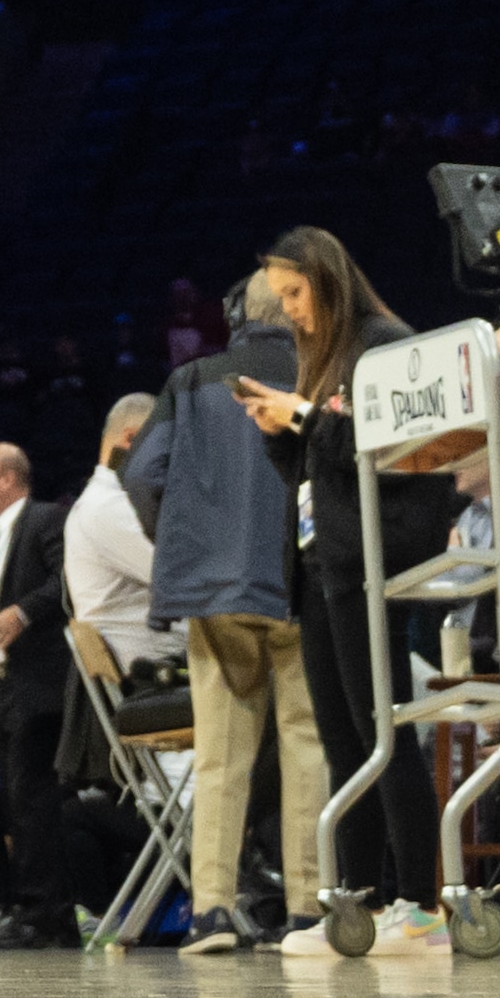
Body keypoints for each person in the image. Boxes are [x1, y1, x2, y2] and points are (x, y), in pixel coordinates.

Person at [229, 230, 457, 956]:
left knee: (384, 730)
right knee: (344, 740)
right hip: (321, 559)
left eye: (296, 294)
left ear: (328, 281)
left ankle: (419, 906)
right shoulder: (323, 357)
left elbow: (389, 456)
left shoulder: (386, 344)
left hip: (371, 556)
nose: (290, 311)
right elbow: (316, 464)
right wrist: (279, 428)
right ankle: (355, 905)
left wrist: (301, 419)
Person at [131, 283, 316, 947]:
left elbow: (141, 473)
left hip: (213, 594)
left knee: (219, 757)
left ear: (236, 315)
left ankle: (210, 910)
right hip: (298, 583)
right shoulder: (321, 375)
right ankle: (308, 911)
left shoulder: (189, 379)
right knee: (306, 746)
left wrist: (188, 545)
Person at [0, 442, 80, 949]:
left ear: (8, 478)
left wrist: (24, 611)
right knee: (16, 801)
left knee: (34, 802)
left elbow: (69, 579)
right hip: (5, 685)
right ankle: (31, 908)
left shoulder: (47, 520)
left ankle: (45, 914)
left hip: (41, 681)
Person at [62, 395, 168, 676]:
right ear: (131, 439)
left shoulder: (114, 501)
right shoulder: (106, 507)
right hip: (149, 669)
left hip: (159, 657)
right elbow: (176, 577)